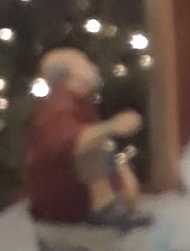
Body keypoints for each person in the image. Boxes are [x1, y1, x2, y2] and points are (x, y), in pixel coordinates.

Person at [23, 48, 152, 230]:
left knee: (101, 148)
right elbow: (71, 142)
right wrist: (114, 126)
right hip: (63, 197)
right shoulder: (58, 105)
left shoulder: (81, 103)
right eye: (85, 63)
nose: (93, 67)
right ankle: (104, 209)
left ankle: (112, 207)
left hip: (75, 191)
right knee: (90, 145)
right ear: (70, 75)